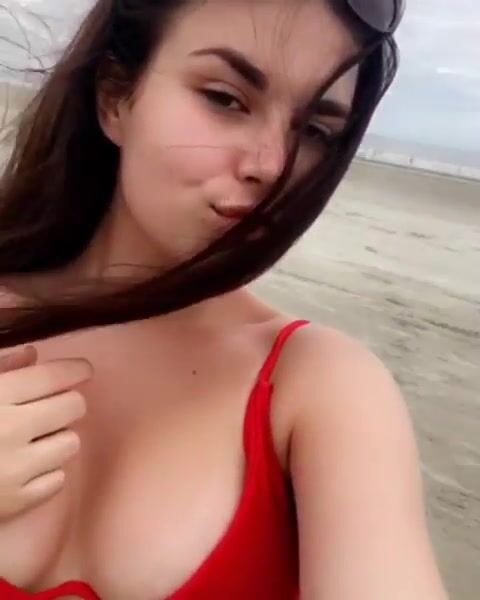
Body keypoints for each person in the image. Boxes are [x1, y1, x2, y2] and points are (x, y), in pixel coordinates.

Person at [0, 0, 448, 598]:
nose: (272, 165)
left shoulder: (319, 392)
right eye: (225, 98)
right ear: (115, 98)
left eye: (315, 132)